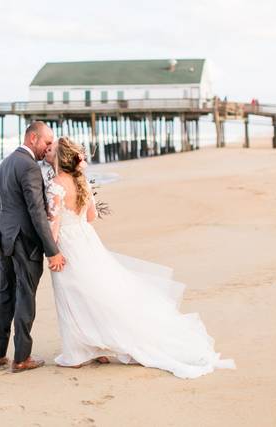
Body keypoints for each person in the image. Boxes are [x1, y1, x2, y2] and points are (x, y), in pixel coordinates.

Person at [44, 136, 235, 379]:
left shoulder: (56, 185)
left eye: (52, 150)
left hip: (69, 244)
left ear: (60, 158)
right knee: (97, 290)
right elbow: (90, 216)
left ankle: (77, 352)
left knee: (72, 292)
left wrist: (52, 251)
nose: (48, 151)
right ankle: (96, 345)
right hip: (87, 240)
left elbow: (54, 224)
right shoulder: (81, 182)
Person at [0, 121, 66, 373]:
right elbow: (36, 213)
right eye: (46, 141)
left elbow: (1, 203)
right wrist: (51, 249)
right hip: (23, 239)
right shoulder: (29, 167)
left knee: (4, 293)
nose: (48, 147)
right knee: (25, 294)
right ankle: (22, 358)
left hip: (3, 232)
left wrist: (8, 227)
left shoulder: (6, 163)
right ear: (33, 138)